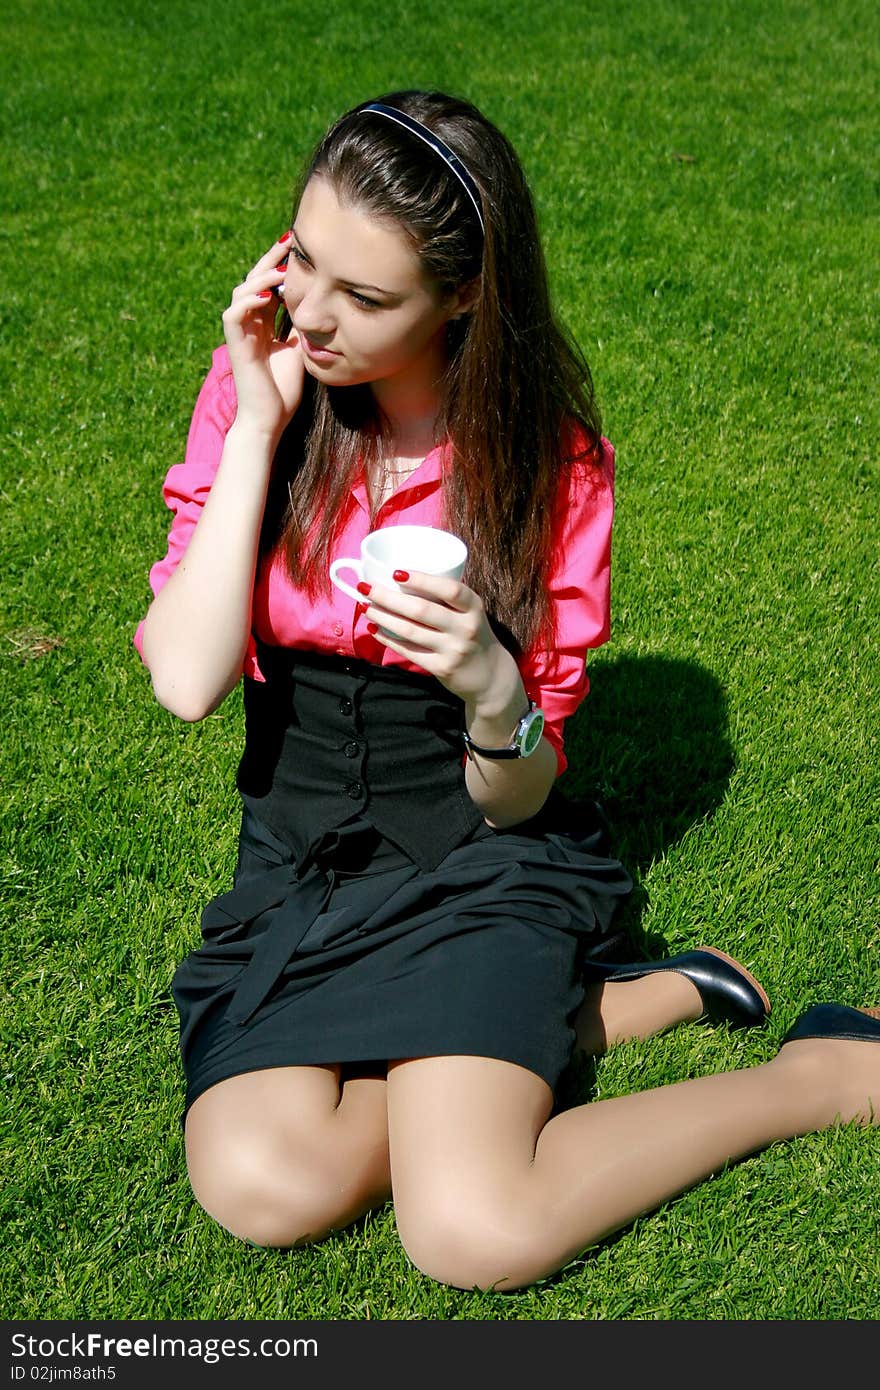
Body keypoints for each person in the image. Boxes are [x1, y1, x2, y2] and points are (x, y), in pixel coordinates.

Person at [135, 89, 880, 1292]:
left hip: (478, 852)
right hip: (302, 852)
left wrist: (488, 675)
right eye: (303, 262)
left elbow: (521, 793)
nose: (312, 316)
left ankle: (817, 1076)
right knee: (265, 1185)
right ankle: (590, 1012)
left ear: (463, 298)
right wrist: (259, 429)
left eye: (366, 299)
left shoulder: (548, 464)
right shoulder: (261, 382)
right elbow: (185, 680)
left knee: (473, 1230)